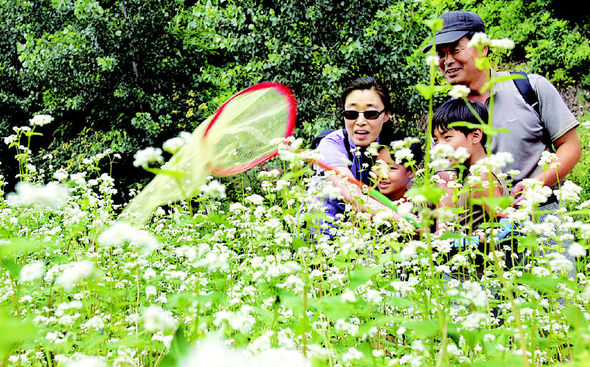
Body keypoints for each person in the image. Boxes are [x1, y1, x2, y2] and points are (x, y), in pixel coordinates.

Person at [423, 10, 581, 207]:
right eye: (440, 54)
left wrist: (538, 184)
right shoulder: (444, 117)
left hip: (540, 213)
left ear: (483, 48)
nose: (447, 61)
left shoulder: (529, 88)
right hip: (481, 225)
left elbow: (571, 146)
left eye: (455, 50)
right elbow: (446, 176)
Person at [315, 76, 399, 222]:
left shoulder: (392, 146)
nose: (360, 122)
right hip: (323, 235)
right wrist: (401, 219)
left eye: (370, 114)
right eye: (351, 114)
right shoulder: (330, 145)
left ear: (386, 115)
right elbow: (353, 198)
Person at [431, 98, 509, 233]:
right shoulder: (471, 174)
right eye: (436, 140)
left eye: (447, 137)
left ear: (475, 135)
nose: (439, 147)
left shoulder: (481, 178)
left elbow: (505, 225)